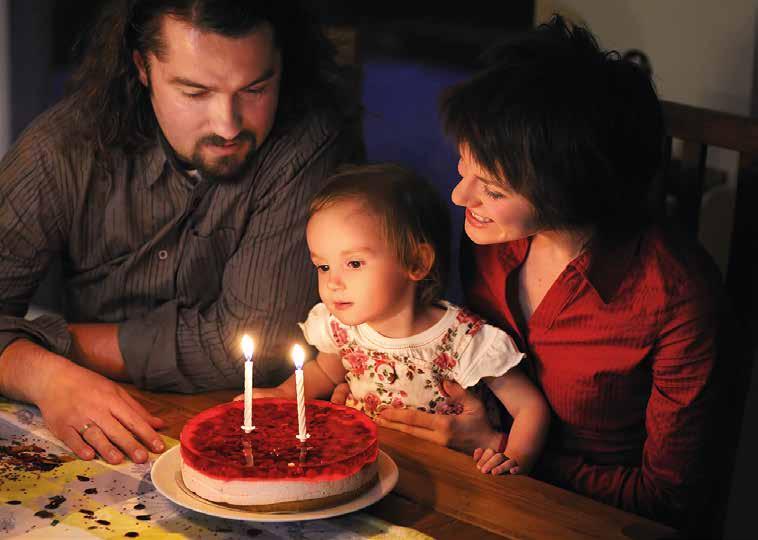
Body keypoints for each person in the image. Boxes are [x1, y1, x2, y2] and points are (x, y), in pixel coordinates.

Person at [332, 16, 725, 529]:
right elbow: (464, 353)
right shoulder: (495, 245)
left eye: (493, 190)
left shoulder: (675, 298)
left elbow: (666, 500)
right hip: (467, 485)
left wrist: (504, 449)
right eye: (463, 166)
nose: (460, 197)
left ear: (570, 194)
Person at [0, 0, 361, 466]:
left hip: (259, 436)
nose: (228, 124)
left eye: (255, 88)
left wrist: (46, 341)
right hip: (88, 423)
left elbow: (253, 340)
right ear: (142, 67)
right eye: (194, 92)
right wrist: (43, 375)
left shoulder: (306, 143)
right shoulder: (62, 149)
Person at [245, 163, 551, 475]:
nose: (333, 282)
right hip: (369, 470)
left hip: (450, 480)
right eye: (323, 266)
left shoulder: (462, 340)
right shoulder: (340, 327)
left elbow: (530, 407)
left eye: (353, 263)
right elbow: (324, 371)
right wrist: (284, 394)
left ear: (417, 262)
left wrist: (514, 459)